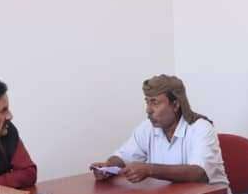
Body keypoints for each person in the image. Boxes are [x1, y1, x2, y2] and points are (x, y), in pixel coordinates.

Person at [89, 74, 227, 187]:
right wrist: (108, 167)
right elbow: (124, 156)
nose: (148, 110)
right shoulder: (147, 128)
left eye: (155, 102)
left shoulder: (201, 128)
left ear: (175, 105)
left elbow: (198, 173)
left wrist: (149, 170)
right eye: (147, 102)